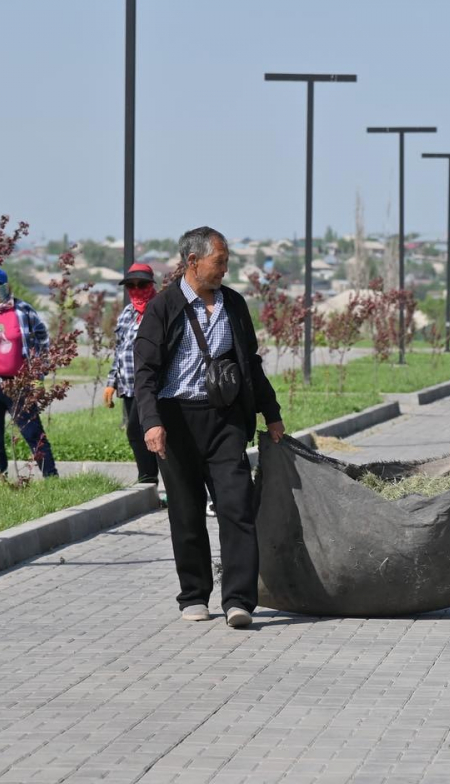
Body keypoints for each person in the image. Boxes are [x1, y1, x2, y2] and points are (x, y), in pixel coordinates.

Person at [133, 226, 285, 629]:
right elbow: (144, 372)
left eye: (226, 262)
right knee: (186, 512)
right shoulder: (163, 307)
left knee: (237, 506)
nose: (225, 269)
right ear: (193, 261)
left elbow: (250, 362)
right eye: (220, 262)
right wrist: (151, 423)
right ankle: (194, 595)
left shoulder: (233, 304)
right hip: (175, 421)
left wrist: (271, 414)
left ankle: (238, 600)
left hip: (225, 420)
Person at [0, 266, 59, 478]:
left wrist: (38, 375)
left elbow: (42, 341)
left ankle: (51, 476)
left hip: (18, 383)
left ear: (4, 287)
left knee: (33, 431)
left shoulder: (23, 311)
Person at [103, 263, 161, 486]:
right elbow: (119, 350)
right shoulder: (127, 313)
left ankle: (148, 480)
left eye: (142, 284)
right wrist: (111, 383)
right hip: (127, 384)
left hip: (149, 385)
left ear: (151, 284)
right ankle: (147, 480)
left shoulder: (158, 309)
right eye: (131, 285)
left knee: (139, 431)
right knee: (137, 434)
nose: (137, 289)